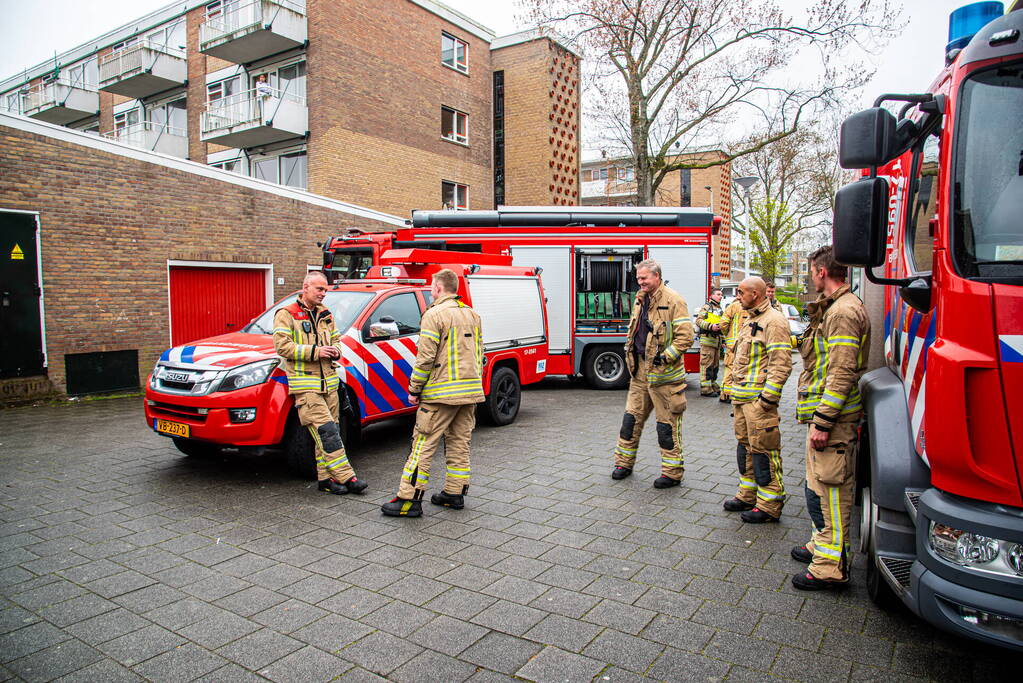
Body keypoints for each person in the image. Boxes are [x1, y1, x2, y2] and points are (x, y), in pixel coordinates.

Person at [791, 245, 870, 590]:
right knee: (817, 487)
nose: (810, 276)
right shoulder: (832, 308)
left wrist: (823, 421)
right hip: (826, 415)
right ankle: (819, 547)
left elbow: (841, 371)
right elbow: (808, 346)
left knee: (833, 492)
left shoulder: (843, 313)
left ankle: (830, 567)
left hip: (833, 420)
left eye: (811, 271)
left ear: (821, 272)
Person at [381, 269, 483, 517]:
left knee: (422, 445)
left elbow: (425, 358)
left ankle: (408, 500)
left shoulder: (433, 315)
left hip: (439, 395)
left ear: (437, 288)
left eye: (431, 288)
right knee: (460, 443)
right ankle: (454, 493)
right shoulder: (472, 314)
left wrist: (414, 389)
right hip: (470, 392)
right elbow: (480, 353)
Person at [273, 271, 367, 495]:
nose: (324, 293)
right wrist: (316, 351)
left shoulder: (326, 313)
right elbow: (282, 347)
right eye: (319, 289)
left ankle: (325, 481)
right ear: (305, 287)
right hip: (307, 386)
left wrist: (335, 351)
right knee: (326, 433)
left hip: (330, 383)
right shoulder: (287, 314)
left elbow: (336, 339)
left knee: (329, 431)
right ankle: (347, 476)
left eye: (325, 289)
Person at [611, 259, 694, 488]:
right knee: (630, 421)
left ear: (657, 276)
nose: (640, 282)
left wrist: (665, 357)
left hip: (664, 378)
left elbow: (686, 337)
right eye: (638, 278)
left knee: (666, 427)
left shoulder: (674, 300)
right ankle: (623, 464)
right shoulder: (641, 299)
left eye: (644, 278)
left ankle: (672, 473)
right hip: (639, 374)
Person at [722, 277, 792, 522]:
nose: (737, 296)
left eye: (741, 292)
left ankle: (769, 505)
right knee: (746, 448)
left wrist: (767, 399)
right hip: (742, 400)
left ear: (756, 293)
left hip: (758, 403)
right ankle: (747, 494)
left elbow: (781, 363)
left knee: (765, 451)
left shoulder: (774, 321)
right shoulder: (749, 318)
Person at [717, 296, 748, 403]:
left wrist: (727, 335)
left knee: (730, 368)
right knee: (739, 369)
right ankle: (732, 392)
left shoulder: (732, 307)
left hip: (732, 344)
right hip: (745, 344)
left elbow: (723, 324)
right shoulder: (751, 307)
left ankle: (726, 394)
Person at [695, 288, 724, 396]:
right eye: (718, 294)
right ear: (711, 296)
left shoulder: (719, 308)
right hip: (707, 341)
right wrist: (710, 326)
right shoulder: (707, 307)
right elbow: (698, 321)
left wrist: (723, 340)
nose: (720, 296)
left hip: (716, 341)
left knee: (715, 365)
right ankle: (705, 388)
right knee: (706, 364)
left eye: (721, 294)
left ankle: (712, 384)